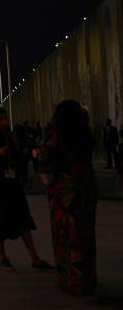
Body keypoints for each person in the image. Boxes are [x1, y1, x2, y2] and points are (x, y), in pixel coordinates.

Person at [39, 100, 98, 295]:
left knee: (66, 237)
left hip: (65, 193)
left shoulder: (56, 134)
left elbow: (43, 158)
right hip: (87, 188)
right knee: (86, 234)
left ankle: (71, 280)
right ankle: (88, 279)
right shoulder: (84, 133)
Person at [0, 107, 51, 272]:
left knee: (22, 217)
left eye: (5, 118)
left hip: (13, 182)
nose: (4, 122)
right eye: (0, 119)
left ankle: (35, 258)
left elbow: (16, 160)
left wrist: (26, 153)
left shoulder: (10, 136)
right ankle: (3, 257)